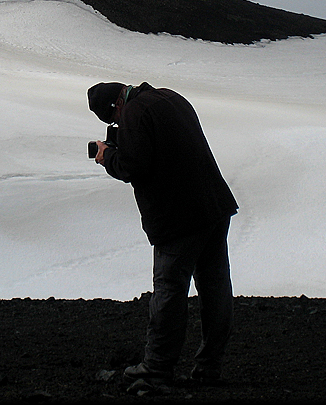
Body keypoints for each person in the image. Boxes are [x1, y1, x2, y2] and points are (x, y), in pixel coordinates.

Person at [87, 81, 238, 385]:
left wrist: (108, 158)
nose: (116, 123)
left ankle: (156, 369)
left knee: (169, 289)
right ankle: (209, 367)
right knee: (215, 287)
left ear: (115, 106)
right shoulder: (171, 98)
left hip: (178, 220)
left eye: (112, 118)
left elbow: (133, 166)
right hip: (213, 207)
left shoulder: (134, 113)